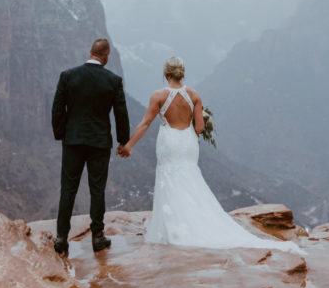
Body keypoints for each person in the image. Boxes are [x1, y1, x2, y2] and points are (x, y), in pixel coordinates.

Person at [118, 56, 305, 254]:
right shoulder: (194, 95)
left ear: (165, 74)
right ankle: (195, 221)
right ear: (182, 73)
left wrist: (129, 146)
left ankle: (172, 227)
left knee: (169, 179)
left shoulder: (158, 96)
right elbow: (199, 127)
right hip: (188, 143)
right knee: (190, 178)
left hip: (169, 141)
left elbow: (146, 123)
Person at [51, 38, 130, 255]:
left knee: (68, 189)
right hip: (99, 143)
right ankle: (97, 237)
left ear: (90, 52)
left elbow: (57, 109)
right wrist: (124, 141)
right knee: (97, 189)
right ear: (106, 56)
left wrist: (61, 135)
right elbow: (120, 114)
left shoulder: (68, 76)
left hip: (73, 141)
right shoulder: (113, 80)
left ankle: (61, 238)